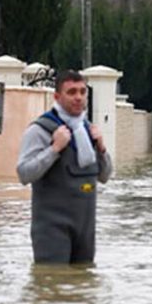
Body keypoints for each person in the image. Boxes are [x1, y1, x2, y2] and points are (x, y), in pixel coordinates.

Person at [17, 70, 113, 264]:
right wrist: (54, 149)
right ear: (57, 96)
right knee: (53, 283)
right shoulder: (40, 130)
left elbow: (104, 177)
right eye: (71, 92)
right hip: (51, 230)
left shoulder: (88, 131)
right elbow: (24, 173)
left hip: (85, 230)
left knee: (83, 284)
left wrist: (101, 148)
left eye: (82, 92)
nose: (78, 97)